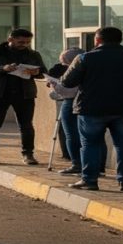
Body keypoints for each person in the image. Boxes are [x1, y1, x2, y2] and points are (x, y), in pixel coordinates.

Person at [61, 27, 123, 192]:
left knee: (90, 144)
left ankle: (89, 180)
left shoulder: (84, 58)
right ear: (120, 40)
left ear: (98, 40)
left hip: (91, 108)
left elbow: (67, 82)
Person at [0, 28, 47, 166]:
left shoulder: (33, 54)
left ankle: (28, 155)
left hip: (25, 93)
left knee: (26, 125)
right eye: (21, 42)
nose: (24, 45)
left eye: (27, 42)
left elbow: (43, 72)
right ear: (10, 40)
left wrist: (36, 72)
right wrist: (3, 68)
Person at [46, 47, 91, 175]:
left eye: (65, 62)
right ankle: (97, 167)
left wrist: (54, 85)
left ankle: (77, 164)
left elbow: (65, 92)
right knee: (93, 137)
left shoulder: (74, 70)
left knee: (72, 134)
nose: (63, 65)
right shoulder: (92, 67)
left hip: (71, 103)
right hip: (91, 102)